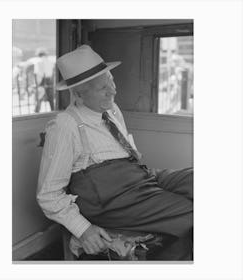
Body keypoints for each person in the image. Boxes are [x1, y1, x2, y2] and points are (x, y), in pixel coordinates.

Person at [36, 45, 193, 260]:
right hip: (115, 199)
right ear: (79, 94)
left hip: (143, 176)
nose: (113, 90)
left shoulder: (111, 109)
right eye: (103, 87)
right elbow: (49, 195)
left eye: (111, 79)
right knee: (191, 213)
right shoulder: (65, 125)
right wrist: (83, 229)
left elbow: (131, 153)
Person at [33, 47, 55, 112]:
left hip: (42, 80)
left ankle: (37, 111)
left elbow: (38, 73)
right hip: (50, 79)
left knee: (39, 97)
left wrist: (37, 83)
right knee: (51, 97)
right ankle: (53, 110)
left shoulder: (38, 62)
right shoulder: (50, 61)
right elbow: (52, 71)